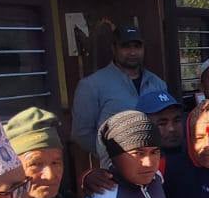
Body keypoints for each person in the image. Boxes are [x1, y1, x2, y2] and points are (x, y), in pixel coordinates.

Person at [70, 25, 168, 155]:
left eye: (137, 46)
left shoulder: (158, 84)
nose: (132, 52)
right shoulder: (91, 85)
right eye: (126, 47)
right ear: (114, 48)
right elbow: (81, 134)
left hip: (154, 161)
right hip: (114, 164)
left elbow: (166, 123)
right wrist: (114, 155)